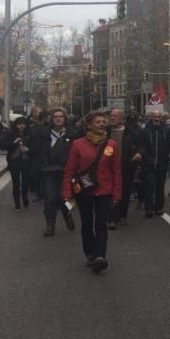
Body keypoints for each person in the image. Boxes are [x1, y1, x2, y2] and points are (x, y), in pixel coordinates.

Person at [63, 112, 122, 273]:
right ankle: (90, 253)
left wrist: (117, 194)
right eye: (98, 122)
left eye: (104, 121)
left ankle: (100, 256)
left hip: (104, 191)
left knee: (101, 224)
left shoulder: (112, 145)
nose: (102, 124)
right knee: (87, 224)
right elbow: (69, 170)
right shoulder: (78, 145)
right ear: (89, 125)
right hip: (85, 191)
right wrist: (67, 191)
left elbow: (116, 170)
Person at [34, 108, 76, 237]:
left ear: (65, 119)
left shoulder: (72, 134)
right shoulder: (44, 134)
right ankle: (50, 225)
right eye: (55, 117)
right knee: (50, 198)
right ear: (51, 119)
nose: (58, 118)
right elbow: (37, 150)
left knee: (65, 198)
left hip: (66, 171)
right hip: (49, 171)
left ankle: (67, 214)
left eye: (61, 116)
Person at [136, 110, 170, 218]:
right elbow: (141, 145)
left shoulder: (167, 130)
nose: (157, 118)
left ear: (161, 118)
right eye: (155, 116)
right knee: (149, 186)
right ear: (151, 118)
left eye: (158, 116)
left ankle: (159, 207)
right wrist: (142, 155)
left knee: (160, 187)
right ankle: (148, 208)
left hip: (162, 163)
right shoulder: (145, 131)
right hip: (148, 163)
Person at [107, 108, 139, 228]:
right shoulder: (106, 131)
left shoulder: (130, 132)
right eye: (111, 115)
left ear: (122, 118)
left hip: (125, 167)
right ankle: (112, 218)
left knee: (124, 192)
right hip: (108, 168)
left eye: (115, 116)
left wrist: (138, 154)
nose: (112, 117)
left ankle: (122, 215)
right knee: (109, 192)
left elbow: (140, 145)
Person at [5, 116, 32, 210]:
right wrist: (14, 143)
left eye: (23, 124)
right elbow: (4, 146)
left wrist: (28, 149)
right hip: (14, 161)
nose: (21, 126)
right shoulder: (11, 134)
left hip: (26, 160)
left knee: (26, 182)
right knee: (16, 183)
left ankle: (24, 197)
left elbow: (35, 147)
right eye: (19, 124)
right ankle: (17, 204)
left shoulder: (29, 134)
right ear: (16, 125)